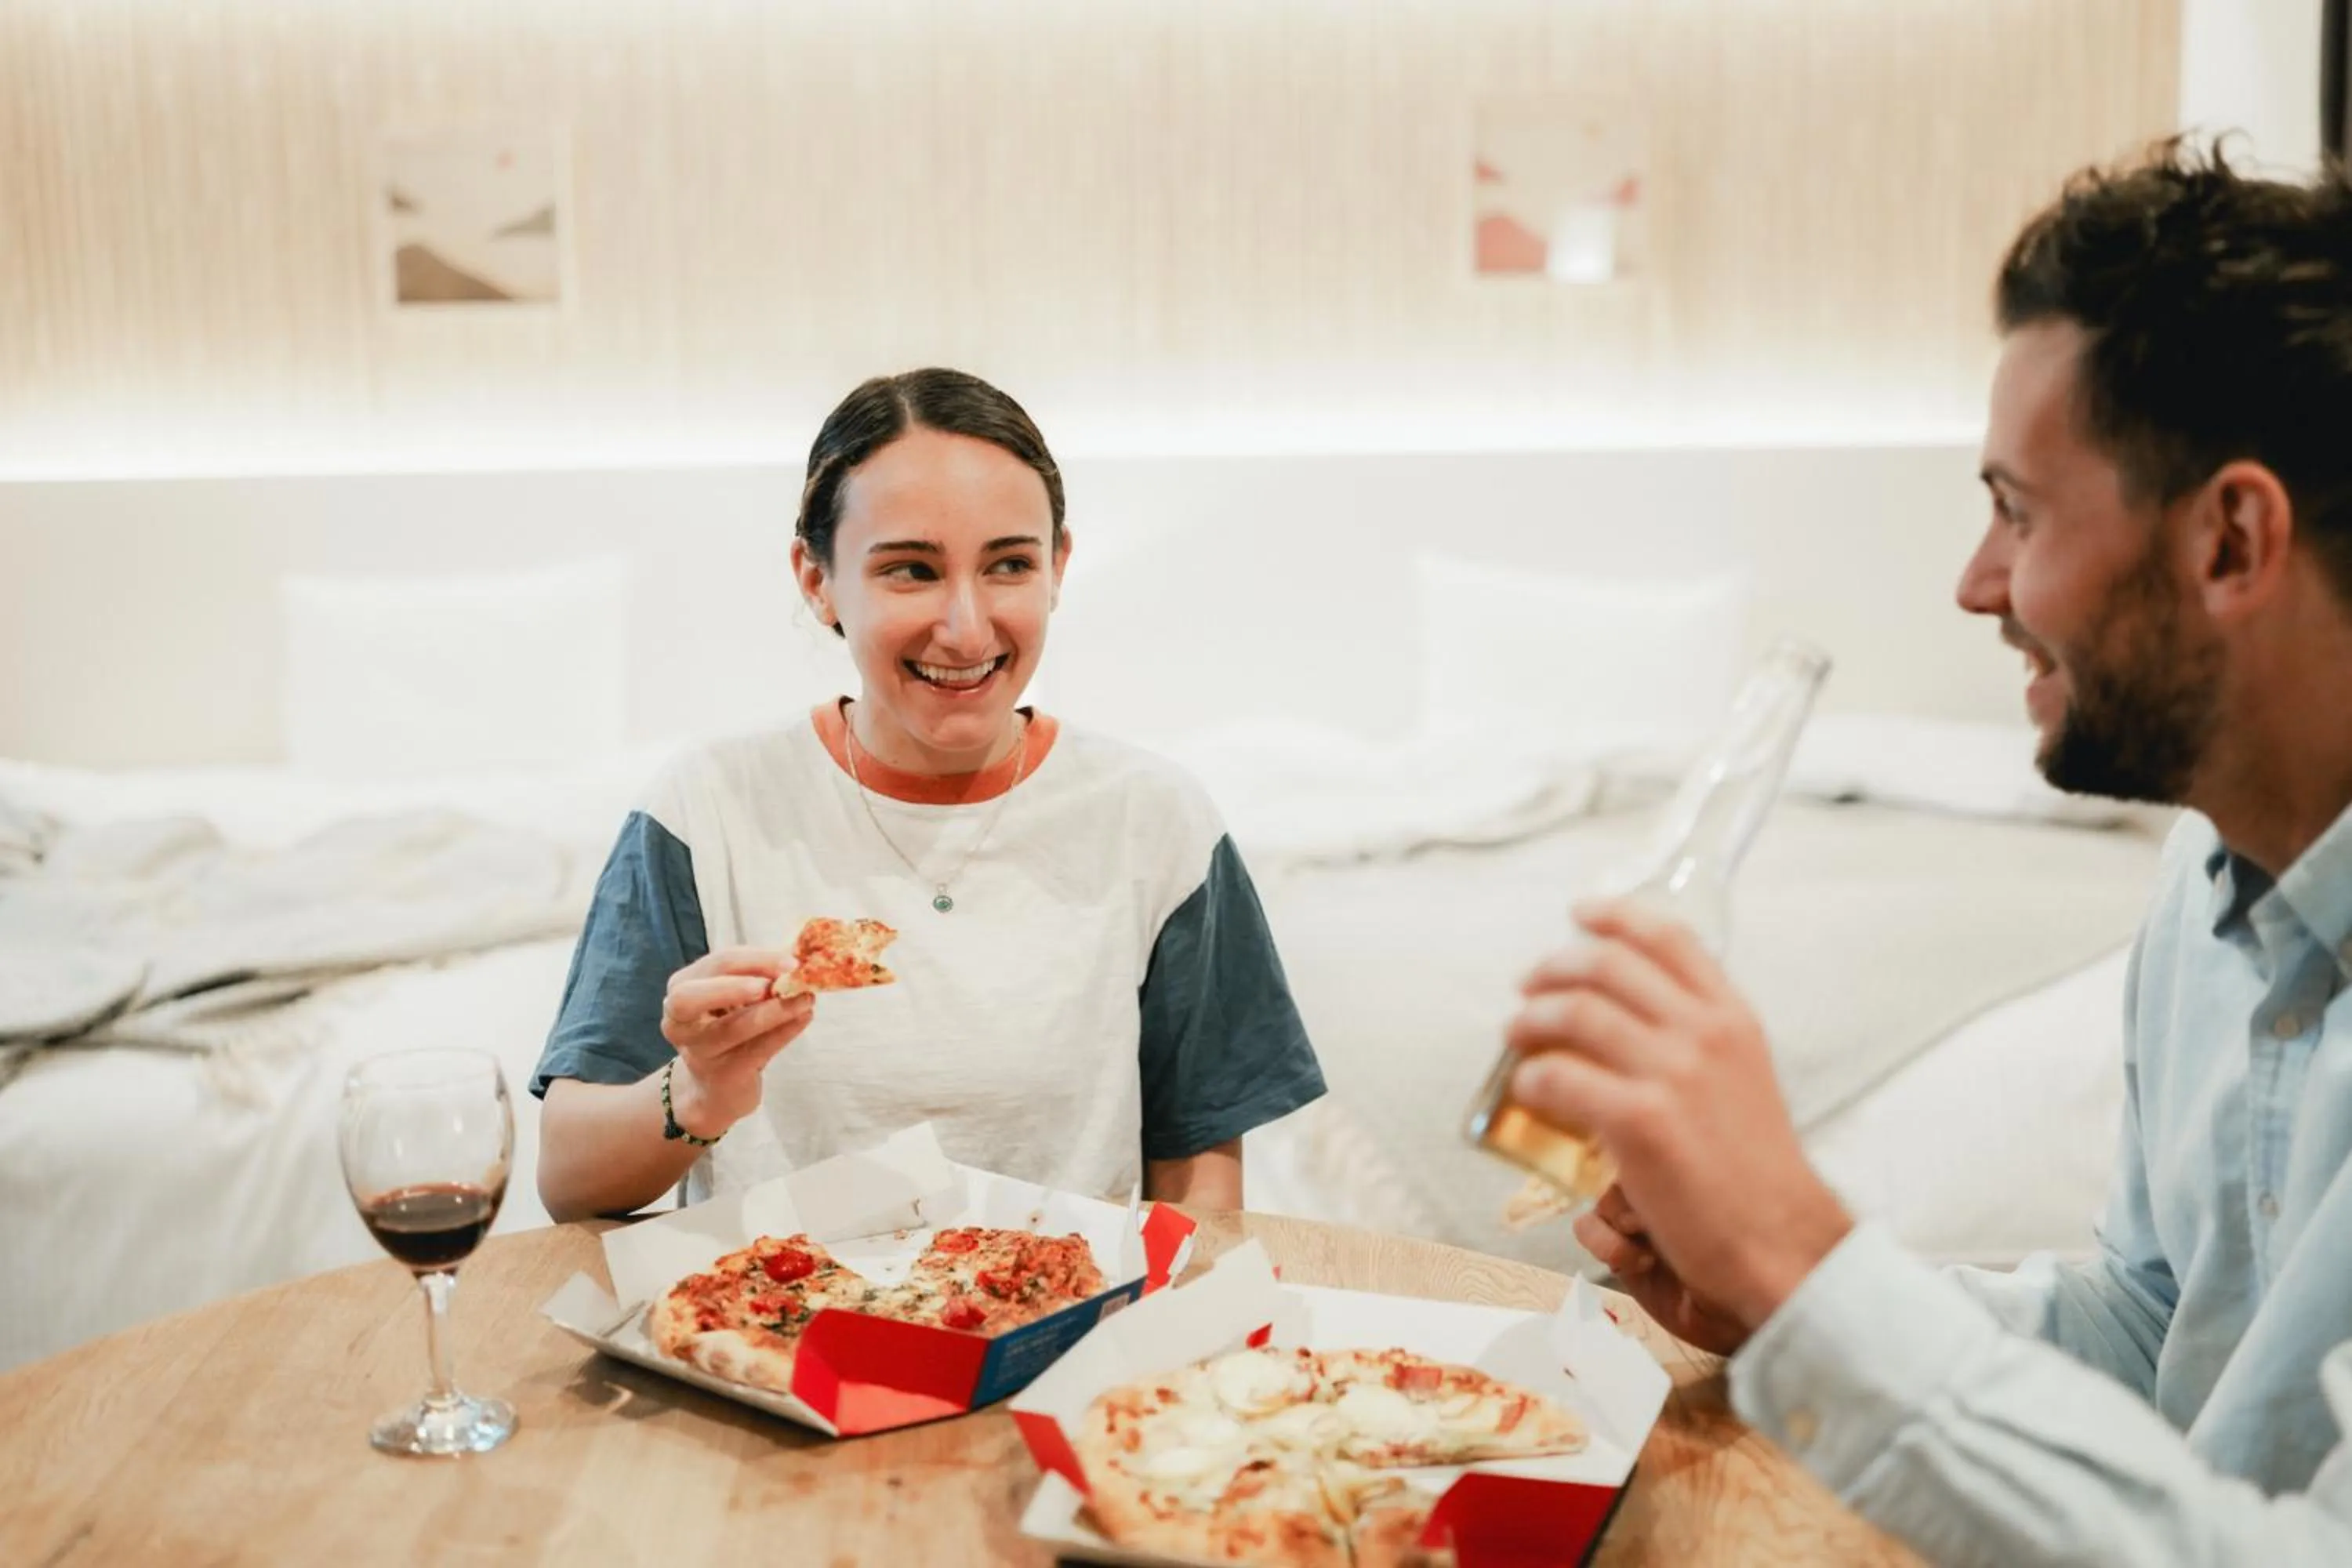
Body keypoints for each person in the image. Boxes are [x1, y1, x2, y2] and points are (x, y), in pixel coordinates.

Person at [1501, 142, 2352, 1564]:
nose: (1975, 583)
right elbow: (2154, 1331)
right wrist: (1780, 1301)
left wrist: (1799, 1253)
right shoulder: (2206, 890)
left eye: (2018, 512)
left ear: (2231, 541)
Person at [532, 368, 1324, 1221]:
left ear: (1058, 566)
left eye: (1009, 564)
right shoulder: (708, 809)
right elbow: (570, 1182)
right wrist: (696, 1092)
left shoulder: (1155, 819)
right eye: (911, 570)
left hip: (1058, 1332)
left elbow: (1198, 1169)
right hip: (773, 1332)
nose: (968, 628)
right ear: (817, 579)